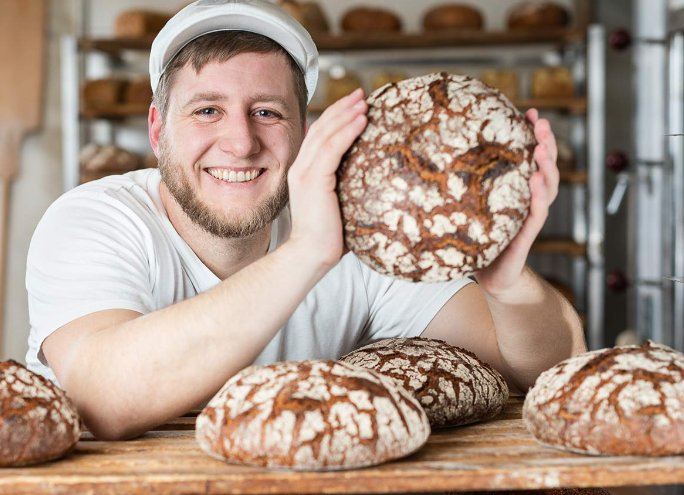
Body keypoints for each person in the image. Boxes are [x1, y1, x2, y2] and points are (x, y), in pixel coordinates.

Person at [26, 0, 585, 441]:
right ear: (156, 130)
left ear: (304, 131)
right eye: (207, 110)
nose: (241, 142)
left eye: (267, 111)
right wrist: (307, 253)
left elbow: (545, 372)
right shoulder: (95, 219)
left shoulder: (359, 238)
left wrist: (508, 282)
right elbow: (102, 400)